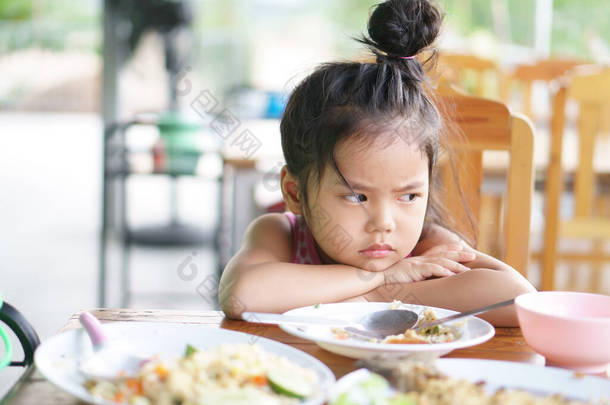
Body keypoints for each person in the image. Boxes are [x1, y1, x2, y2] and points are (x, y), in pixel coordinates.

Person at [219, 0, 536, 326]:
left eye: (409, 196)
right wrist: (381, 279)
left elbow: (518, 299)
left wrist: (368, 298)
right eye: (358, 197)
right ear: (295, 193)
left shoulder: (427, 245)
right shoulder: (281, 233)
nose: (384, 222)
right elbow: (241, 295)